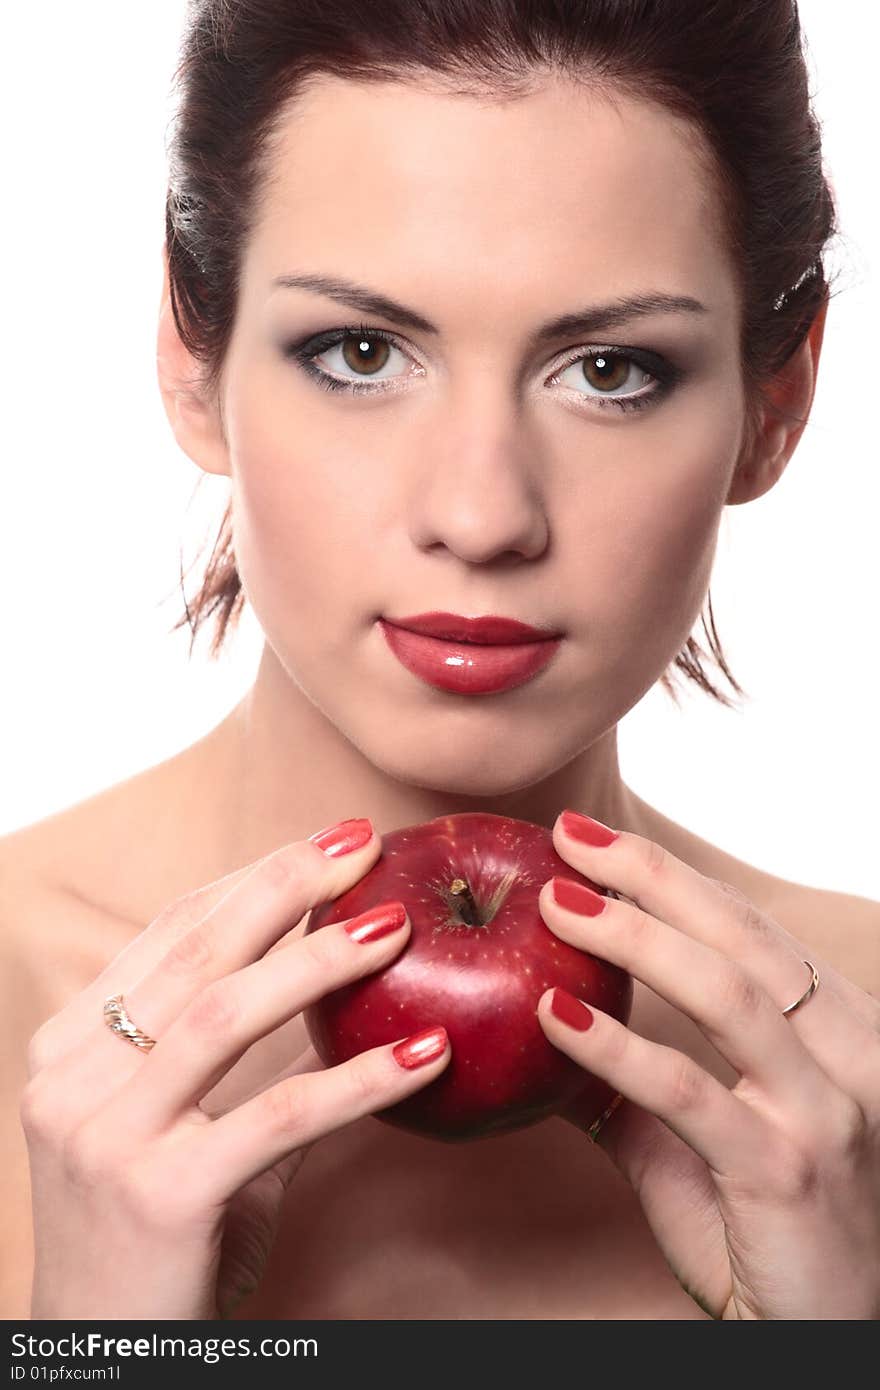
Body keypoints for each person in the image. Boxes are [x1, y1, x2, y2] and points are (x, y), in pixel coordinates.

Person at [2, 0, 878, 1322]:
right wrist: (96, 1351)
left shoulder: (859, 1069)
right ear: (195, 355)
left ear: (776, 405)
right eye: (360, 353)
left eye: (610, 369)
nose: (480, 514)